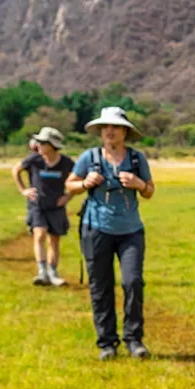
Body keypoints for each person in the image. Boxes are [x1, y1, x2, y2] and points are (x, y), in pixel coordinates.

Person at [66, 107, 155, 361]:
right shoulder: (89, 157)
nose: (110, 130)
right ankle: (107, 343)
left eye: (115, 127)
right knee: (101, 287)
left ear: (125, 131)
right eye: (105, 127)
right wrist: (84, 183)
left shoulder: (137, 159)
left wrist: (138, 184)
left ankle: (134, 339)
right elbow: (69, 185)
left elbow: (150, 191)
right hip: (96, 229)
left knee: (133, 282)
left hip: (131, 231)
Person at [14, 126, 75, 286]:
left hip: (56, 206)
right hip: (37, 205)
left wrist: (68, 196)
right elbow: (16, 170)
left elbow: (78, 180)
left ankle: (53, 273)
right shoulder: (34, 159)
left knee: (54, 240)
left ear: (52, 145)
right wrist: (23, 190)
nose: (38, 145)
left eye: (42, 142)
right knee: (39, 234)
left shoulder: (66, 163)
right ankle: (42, 272)